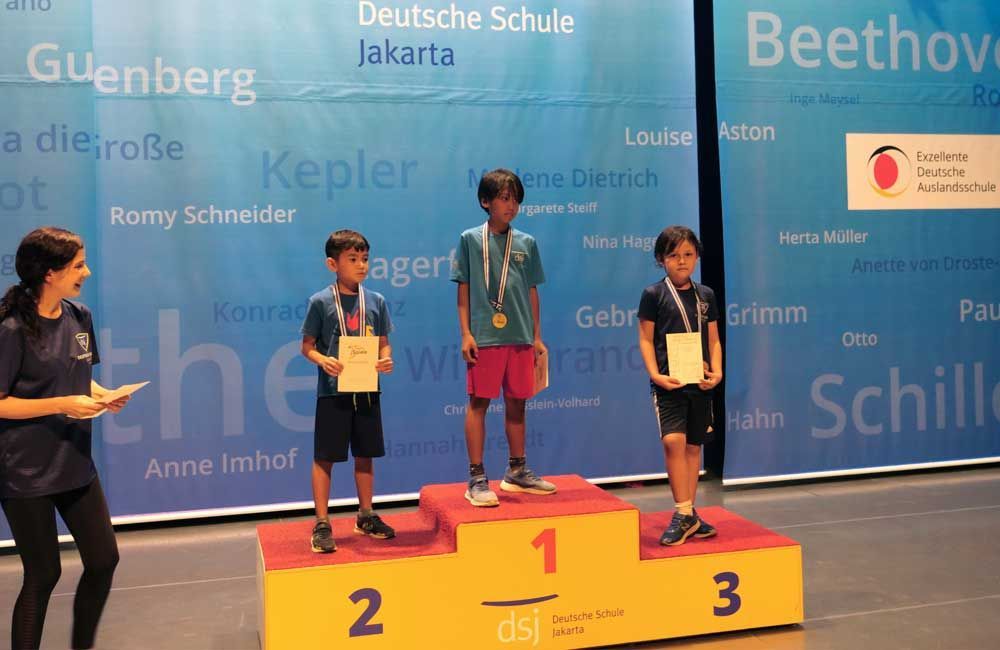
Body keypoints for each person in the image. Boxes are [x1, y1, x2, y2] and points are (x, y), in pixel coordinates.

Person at [0, 226, 130, 649]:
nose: (87, 272)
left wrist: (103, 395)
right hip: (25, 471)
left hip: (74, 461)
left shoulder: (80, 317)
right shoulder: (12, 327)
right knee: (43, 574)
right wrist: (62, 404)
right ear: (49, 273)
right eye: (78, 265)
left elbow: (76, 378)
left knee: (103, 559)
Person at [450, 168, 554, 507]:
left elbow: (533, 292)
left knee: (517, 403)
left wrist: (536, 336)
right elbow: (463, 290)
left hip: (520, 336)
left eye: (516, 200)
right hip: (484, 336)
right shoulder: (469, 240)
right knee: (479, 403)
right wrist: (466, 333)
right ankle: (477, 477)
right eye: (505, 199)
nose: (511, 206)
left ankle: (517, 471)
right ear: (485, 201)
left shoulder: (526, 243)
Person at [300, 229, 395, 553]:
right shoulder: (320, 302)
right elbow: (307, 347)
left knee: (365, 453)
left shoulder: (377, 301)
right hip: (333, 391)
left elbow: (384, 343)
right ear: (332, 263)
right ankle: (322, 522)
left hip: (368, 389)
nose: (361, 265)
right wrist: (323, 360)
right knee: (325, 456)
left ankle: (366, 514)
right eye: (353, 259)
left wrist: (385, 360)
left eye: (365, 259)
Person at [637, 225, 723, 545]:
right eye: (674, 255)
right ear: (662, 259)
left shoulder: (706, 295)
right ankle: (682, 511)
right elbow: (646, 339)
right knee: (673, 442)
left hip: (699, 384)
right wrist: (655, 374)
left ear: (697, 257)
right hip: (668, 384)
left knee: (692, 446)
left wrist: (717, 372)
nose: (682, 261)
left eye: (688, 254)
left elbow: (713, 339)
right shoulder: (653, 295)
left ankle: (688, 514)